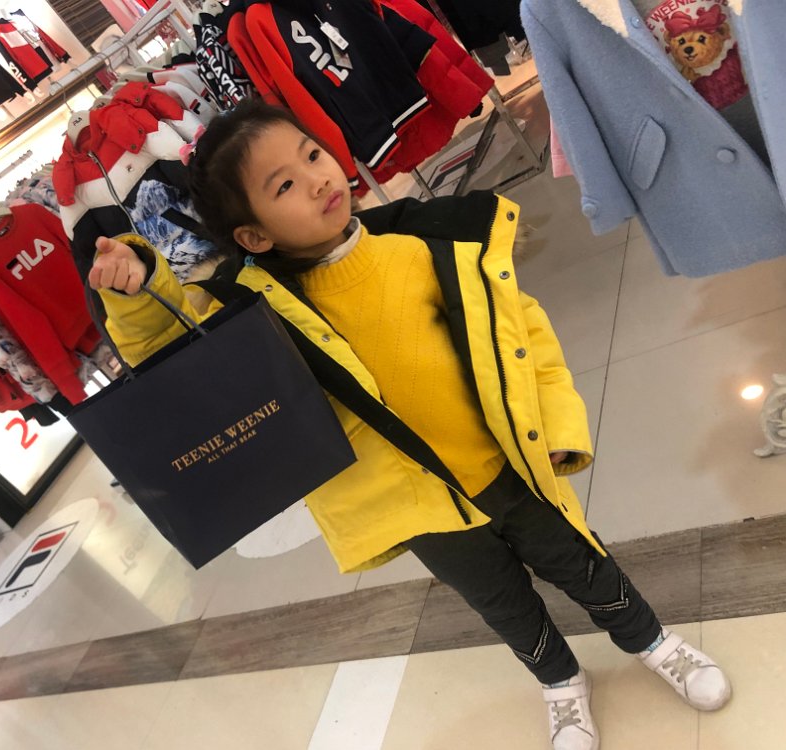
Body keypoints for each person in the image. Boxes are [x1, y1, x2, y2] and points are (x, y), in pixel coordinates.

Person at [88, 100, 731, 750]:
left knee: (583, 565)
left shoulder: (421, 246)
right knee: (503, 605)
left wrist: (558, 424)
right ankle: (560, 681)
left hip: (506, 468)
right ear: (254, 236)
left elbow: (521, 332)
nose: (316, 179)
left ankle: (652, 641)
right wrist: (137, 293)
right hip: (417, 509)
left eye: (312, 154)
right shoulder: (254, 315)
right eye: (283, 185)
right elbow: (182, 360)